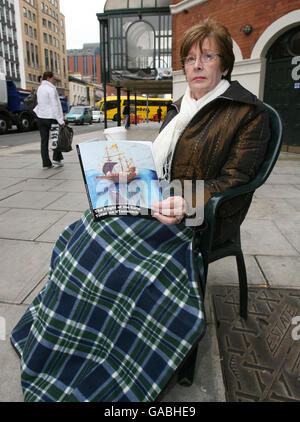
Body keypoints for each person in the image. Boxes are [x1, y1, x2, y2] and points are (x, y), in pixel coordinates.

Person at [10, 19, 269, 402]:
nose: (197, 65)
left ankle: (102, 352)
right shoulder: (181, 107)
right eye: (190, 58)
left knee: (103, 255)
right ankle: (66, 338)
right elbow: (160, 163)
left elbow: (237, 179)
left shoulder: (249, 113)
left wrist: (187, 201)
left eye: (208, 57)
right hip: (154, 202)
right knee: (81, 233)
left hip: (195, 217)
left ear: (224, 65)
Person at [34, 71, 65, 169]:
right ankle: (56, 159)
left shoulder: (39, 88)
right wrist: (60, 120)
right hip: (51, 118)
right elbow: (55, 105)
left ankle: (46, 163)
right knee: (55, 138)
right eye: (53, 78)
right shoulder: (51, 89)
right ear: (48, 78)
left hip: (40, 117)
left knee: (44, 141)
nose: (54, 80)